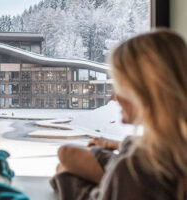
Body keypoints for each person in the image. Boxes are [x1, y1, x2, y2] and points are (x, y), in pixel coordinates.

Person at [54, 29, 187, 200]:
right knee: (66, 153)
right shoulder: (172, 153)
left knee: (64, 165)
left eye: (120, 85)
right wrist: (121, 144)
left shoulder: (133, 170)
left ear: (143, 93)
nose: (113, 96)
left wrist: (66, 179)